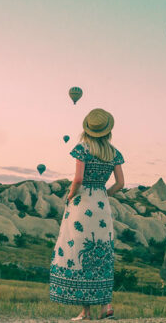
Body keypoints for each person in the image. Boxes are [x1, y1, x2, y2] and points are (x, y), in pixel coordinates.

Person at [49, 108, 125, 320]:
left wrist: (70, 196)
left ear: (87, 130)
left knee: (80, 250)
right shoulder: (114, 153)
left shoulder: (82, 149)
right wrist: (104, 194)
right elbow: (121, 183)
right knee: (102, 252)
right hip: (101, 205)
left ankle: (86, 311)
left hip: (82, 204)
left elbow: (78, 179)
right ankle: (105, 306)